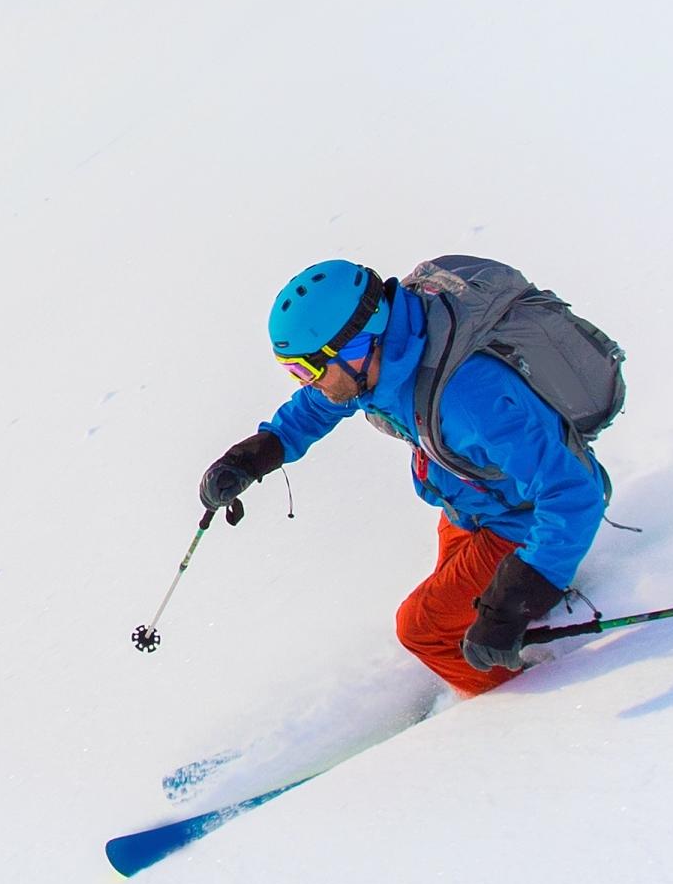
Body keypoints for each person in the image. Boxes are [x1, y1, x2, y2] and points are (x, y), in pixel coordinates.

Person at [197, 258, 610, 694]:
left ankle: (520, 704)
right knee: (463, 605)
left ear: (356, 348)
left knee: (424, 629)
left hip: (521, 520)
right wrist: (252, 456)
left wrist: (517, 598)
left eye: (309, 370)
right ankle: (526, 611)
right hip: (470, 502)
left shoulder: (468, 399)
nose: (307, 384)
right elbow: (319, 406)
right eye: (294, 372)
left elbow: (574, 493)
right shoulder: (388, 356)